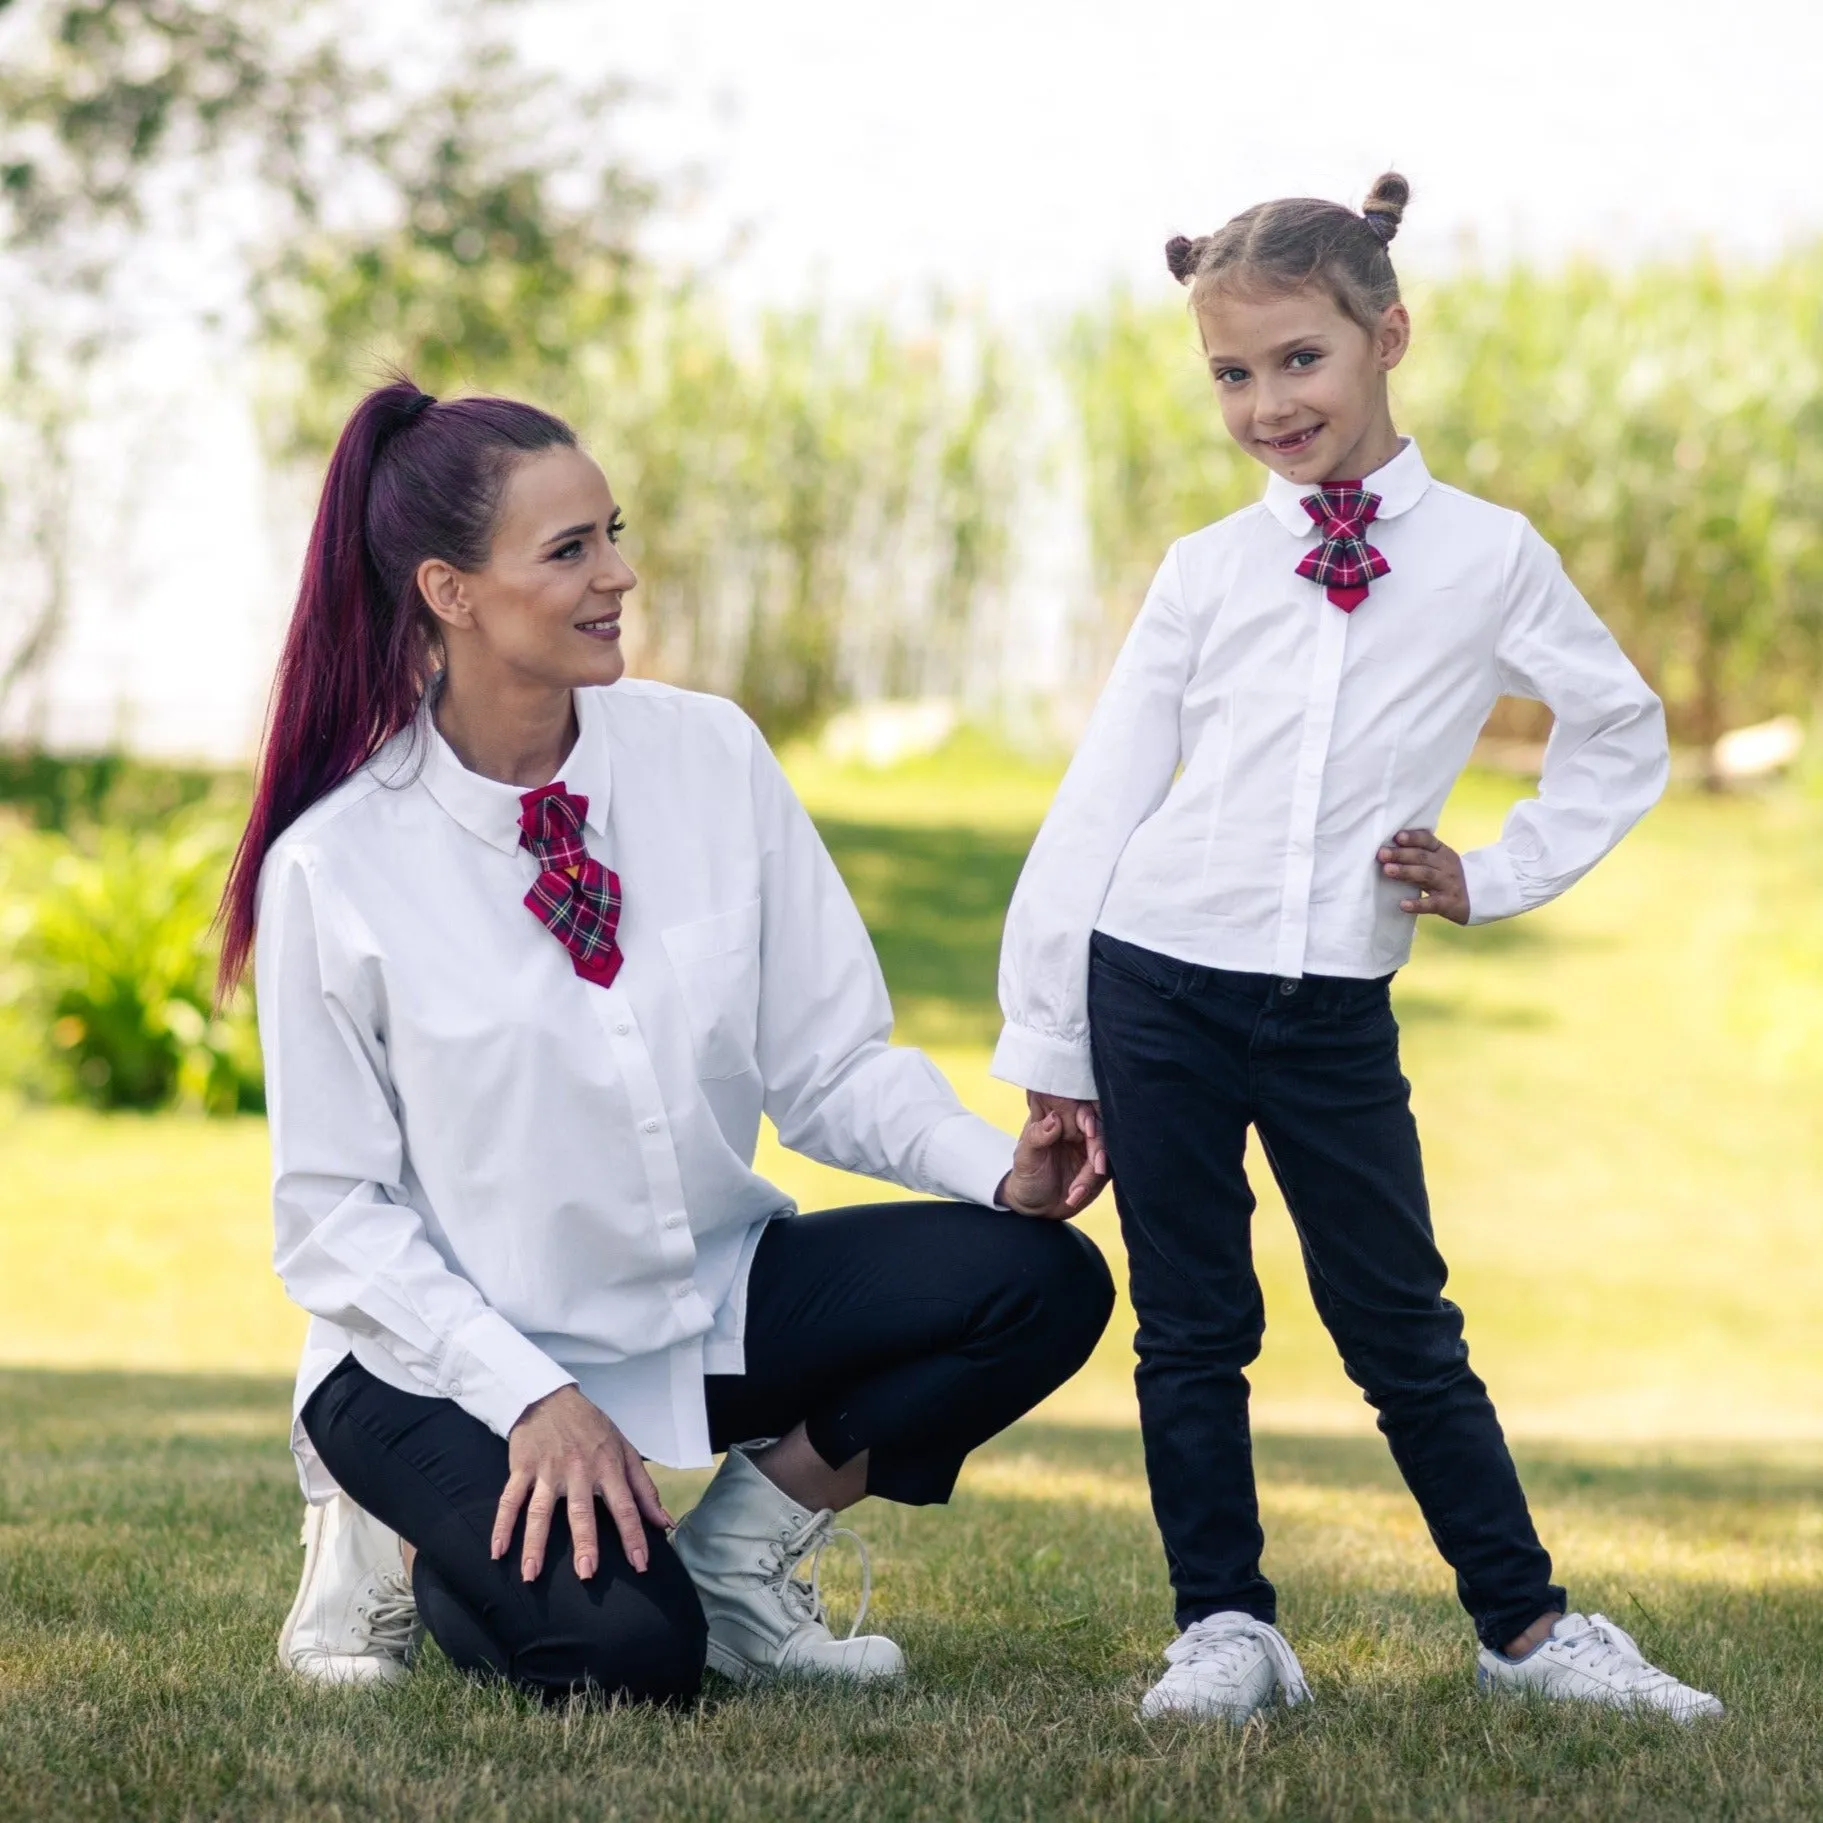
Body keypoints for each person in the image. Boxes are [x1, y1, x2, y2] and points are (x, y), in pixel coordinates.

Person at [221, 378, 1114, 1707]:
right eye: (569, 551)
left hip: (696, 1291)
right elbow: (333, 1218)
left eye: (612, 533)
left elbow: (825, 1062)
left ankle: (745, 1562)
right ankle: (393, 1531)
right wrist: (530, 1397)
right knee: (633, 1657)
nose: (618, 574)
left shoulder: (709, 756)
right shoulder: (337, 866)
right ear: (449, 593)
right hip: (438, 1360)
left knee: (1038, 1281)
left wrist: (1000, 1170)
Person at [991, 175, 1722, 1725]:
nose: (1267, 403)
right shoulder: (1206, 570)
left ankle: (1524, 1629)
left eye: (1299, 361)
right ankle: (1223, 1628)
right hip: (1157, 976)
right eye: (1232, 376)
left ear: (1385, 335)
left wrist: (1494, 871)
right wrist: (1055, 1055)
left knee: (1400, 1320)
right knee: (1192, 1320)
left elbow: (1614, 726)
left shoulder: (1486, 555)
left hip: (1333, 1004)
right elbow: (1103, 800)